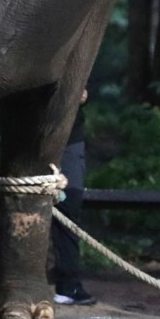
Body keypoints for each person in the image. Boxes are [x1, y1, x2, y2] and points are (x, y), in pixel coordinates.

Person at [51, 88, 95, 306]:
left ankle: (67, 284)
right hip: (35, 133)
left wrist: (82, 93)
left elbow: (84, 92)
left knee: (68, 207)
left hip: (70, 138)